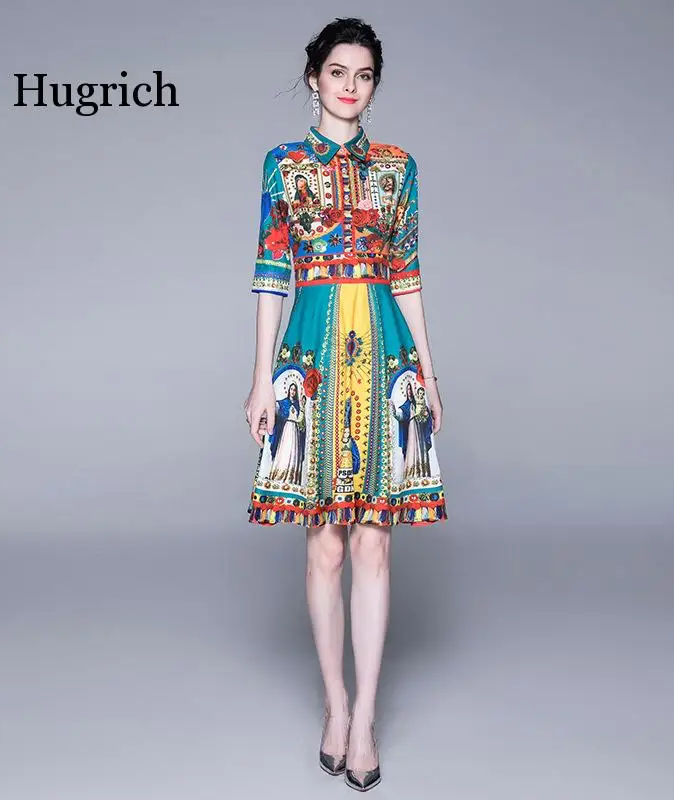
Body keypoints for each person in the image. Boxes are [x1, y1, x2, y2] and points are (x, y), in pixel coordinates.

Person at [243, 17, 447, 792]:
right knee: (324, 544)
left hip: (386, 353)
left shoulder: (399, 167)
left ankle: (364, 720)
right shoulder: (284, 165)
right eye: (338, 72)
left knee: (374, 543)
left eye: (363, 74)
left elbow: (409, 274)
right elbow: (271, 273)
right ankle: (333, 704)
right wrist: (260, 378)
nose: (350, 86)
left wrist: (429, 374)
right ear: (314, 78)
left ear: (374, 83)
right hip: (313, 353)